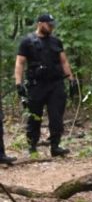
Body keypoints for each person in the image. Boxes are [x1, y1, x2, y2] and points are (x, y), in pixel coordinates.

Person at [14, 13, 78, 158]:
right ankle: (32, 147)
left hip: (55, 84)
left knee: (56, 117)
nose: (51, 27)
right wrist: (19, 83)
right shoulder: (27, 42)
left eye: (52, 25)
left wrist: (71, 80)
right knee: (34, 116)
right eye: (48, 24)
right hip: (36, 85)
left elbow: (64, 61)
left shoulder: (56, 42)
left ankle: (55, 146)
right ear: (40, 23)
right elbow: (20, 63)